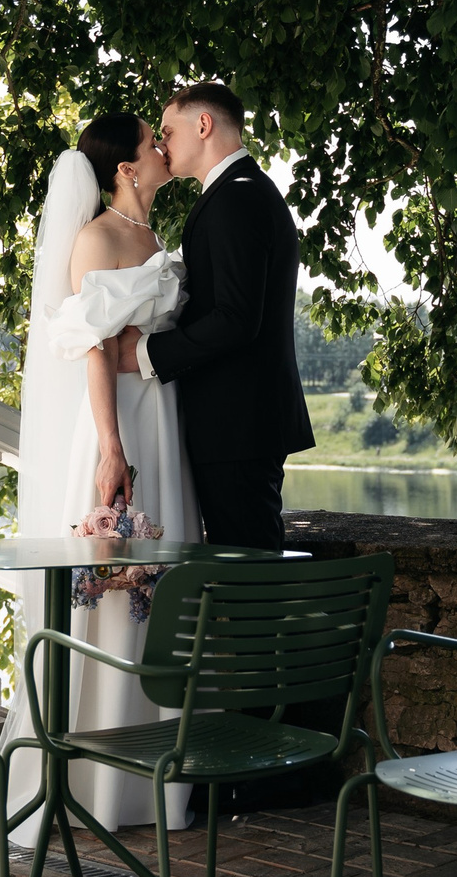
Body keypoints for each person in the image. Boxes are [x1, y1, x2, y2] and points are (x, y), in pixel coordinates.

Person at [0, 112, 195, 837]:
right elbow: (94, 348)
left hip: (162, 421)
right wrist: (112, 446)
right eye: (152, 142)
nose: (164, 149)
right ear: (125, 169)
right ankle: (96, 780)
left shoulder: (153, 238)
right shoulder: (97, 238)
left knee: (158, 586)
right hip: (119, 421)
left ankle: (154, 779)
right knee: (109, 591)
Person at [117, 81, 315, 549]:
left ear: (203, 124)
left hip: (237, 425)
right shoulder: (239, 190)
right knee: (245, 568)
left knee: (249, 574)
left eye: (167, 130)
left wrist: (144, 352)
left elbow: (235, 318)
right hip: (239, 422)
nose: (162, 144)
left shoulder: (236, 196)